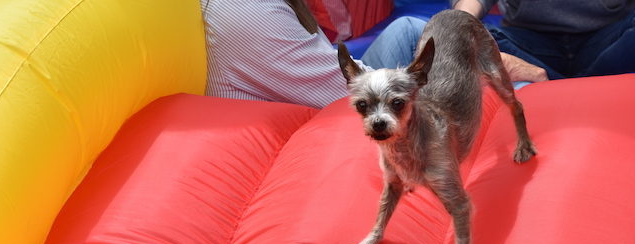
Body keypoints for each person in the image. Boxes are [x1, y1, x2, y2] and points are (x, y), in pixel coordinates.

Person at [200, 0, 425, 109]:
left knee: (407, 30)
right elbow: (355, 93)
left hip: (326, 88)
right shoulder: (249, 13)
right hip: (326, 120)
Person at [452, 0, 635, 81]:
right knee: (473, 35)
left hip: (606, 41)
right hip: (528, 44)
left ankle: (564, 87)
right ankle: (582, 87)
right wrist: (459, 26)